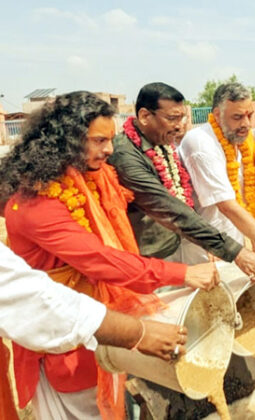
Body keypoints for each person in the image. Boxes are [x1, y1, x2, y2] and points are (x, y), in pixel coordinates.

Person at [0, 91, 218, 420]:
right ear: (67, 141)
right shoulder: (34, 204)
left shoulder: (94, 178)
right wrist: (182, 273)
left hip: (109, 323)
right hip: (67, 342)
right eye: (99, 140)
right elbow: (101, 259)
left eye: (111, 139)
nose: (110, 150)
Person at [0, 242, 188, 420]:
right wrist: (139, 333)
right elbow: (40, 303)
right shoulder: (30, 214)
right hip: (70, 340)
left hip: (91, 327)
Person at [109, 82, 255, 279]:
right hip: (145, 260)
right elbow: (170, 209)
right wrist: (234, 251)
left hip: (175, 250)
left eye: (181, 117)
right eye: (172, 118)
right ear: (144, 116)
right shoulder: (126, 155)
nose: (179, 126)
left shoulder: (162, 143)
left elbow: (182, 199)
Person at [179, 83, 255, 274]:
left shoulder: (239, 139)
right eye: (237, 117)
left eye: (249, 115)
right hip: (204, 249)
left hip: (233, 245)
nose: (245, 123)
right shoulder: (201, 143)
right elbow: (226, 204)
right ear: (217, 115)